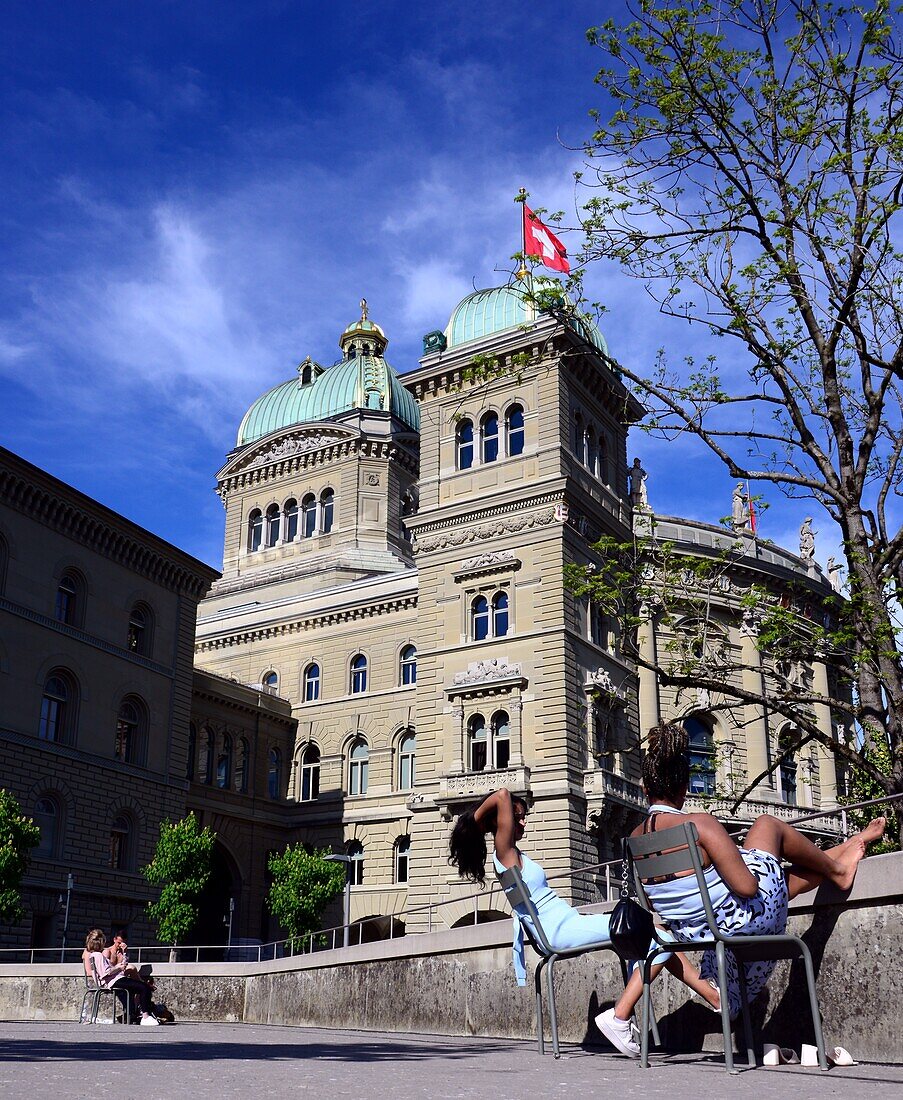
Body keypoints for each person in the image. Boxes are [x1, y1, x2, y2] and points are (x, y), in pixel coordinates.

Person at [633, 723, 885, 1019]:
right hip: (741, 928)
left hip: (697, 934)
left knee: (771, 878)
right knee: (766, 825)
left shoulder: (635, 839)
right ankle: (839, 865)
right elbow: (748, 888)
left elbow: (651, 903)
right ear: (684, 788)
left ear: (645, 788)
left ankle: (844, 853)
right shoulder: (698, 825)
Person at [449, 786, 721, 1057]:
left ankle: (714, 998)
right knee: (660, 938)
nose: (523, 821)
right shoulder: (504, 850)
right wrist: (474, 818)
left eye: (523, 816)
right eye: (517, 817)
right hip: (559, 930)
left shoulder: (511, 855)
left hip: (565, 923)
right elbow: (503, 794)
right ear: (499, 823)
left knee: (657, 933)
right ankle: (619, 1017)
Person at [83, 929, 160, 1025]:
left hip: (114, 980)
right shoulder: (98, 955)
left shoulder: (93, 955)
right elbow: (105, 973)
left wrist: (123, 957)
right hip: (113, 981)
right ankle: (145, 1016)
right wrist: (118, 968)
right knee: (144, 988)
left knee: (136, 989)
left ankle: (134, 1015)